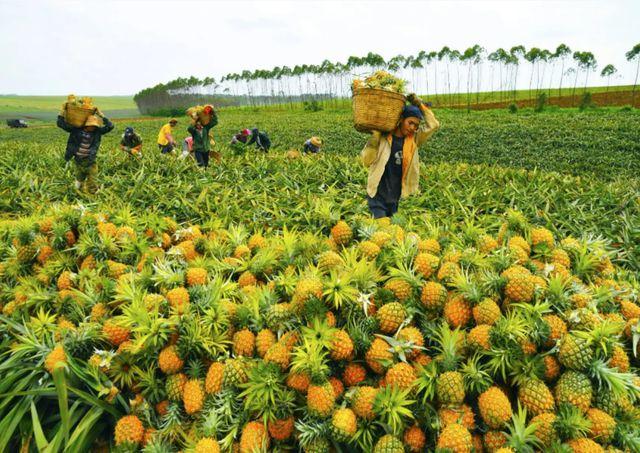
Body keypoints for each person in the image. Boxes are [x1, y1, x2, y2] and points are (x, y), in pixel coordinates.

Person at [360, 93, 440, 219]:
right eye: (410, 123)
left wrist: (419, 104)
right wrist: (374, 138)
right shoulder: (383, 137)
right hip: (377, 197)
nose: (413, 128)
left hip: (398, 200)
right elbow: (366, 160)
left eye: (416, 125)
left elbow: (434, 125)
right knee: (380, 230)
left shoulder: (414, 139)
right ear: (401, 120)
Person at [57, 108, 114, 193]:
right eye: (92, 125)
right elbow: (60, 124)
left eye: (95, 126)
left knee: (93, 180)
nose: (93, 127)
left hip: (90, 161)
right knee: (79, 180)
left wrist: (101, 115)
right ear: (87, 125)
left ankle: (93, 194)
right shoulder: (76, 130)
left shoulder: (97, 132)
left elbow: (110, 126)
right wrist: (62, 111)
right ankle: (76, 193)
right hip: (78, 161)